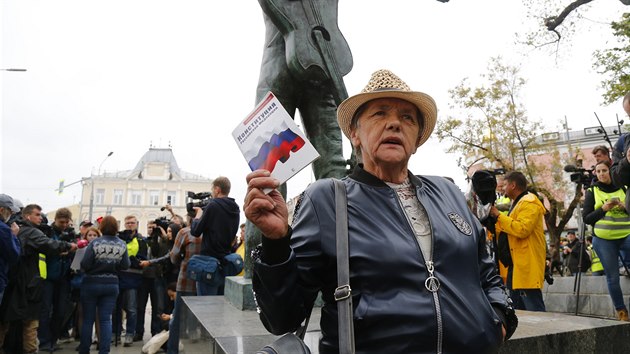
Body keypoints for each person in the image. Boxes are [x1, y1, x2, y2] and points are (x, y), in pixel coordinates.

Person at [246, 69, 517, 353]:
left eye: (407, 118)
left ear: (416, 139)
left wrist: (499, 320)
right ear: (355, 134)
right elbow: (282, 318)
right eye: (379, 114)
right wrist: (276, 243)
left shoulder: (447, 191)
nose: (394, 124)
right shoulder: (327, 198)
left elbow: (487, 274)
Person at [0, 204, 77, 354]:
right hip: (29, 284)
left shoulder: (15, 229)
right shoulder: (32, 232)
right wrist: (68, 245)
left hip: (13, 281)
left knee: (7, 320)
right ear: (28, 216)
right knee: (30, 322)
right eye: (37, 214)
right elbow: (48, 244)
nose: (40, 217)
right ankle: (30, 350)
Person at [490, 171, 547, 312]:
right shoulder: (517, 203)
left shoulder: (529, 202)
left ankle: (546, 333)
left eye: (504, 185)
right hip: (516, 264)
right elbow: (508, 229)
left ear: (513, 185)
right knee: (518, 310)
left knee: (534, 309)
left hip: (526, 263)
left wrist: (499, 216)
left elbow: (522, 229)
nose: (501, 188)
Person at [582, 160, 630, 321]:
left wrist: (626, 207)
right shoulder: (592, 191)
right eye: (598, 171)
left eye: (604, 170)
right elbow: (587, 219)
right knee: (612, 277)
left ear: (611, 171)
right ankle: (621, 311)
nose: (601, 174)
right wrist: (603, 209)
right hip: (604, 240)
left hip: (626, 235)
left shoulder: (624, 187)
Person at [78, 216, 130, 354]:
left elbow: (85, 264)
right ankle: (104, 351)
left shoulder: (95, 243)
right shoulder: (122, 244)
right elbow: (126, 265)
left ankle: (84, 350)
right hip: (112, 284)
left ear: (101, 228)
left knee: (88, 319)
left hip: (91, 284)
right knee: (106, 320)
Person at [190, 176, 240, 296]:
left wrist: (198, 216)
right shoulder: (235, 208)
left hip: (208, 264)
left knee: (206, 307)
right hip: (225, 263)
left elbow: (195, 231)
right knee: (219, 307)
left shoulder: (213, 205)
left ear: (217, 189)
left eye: (213, 190)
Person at [39, 207, 77, 352]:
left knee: (61, 311)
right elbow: (45, 248)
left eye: (67, 222)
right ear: (55, 220)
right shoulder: (47, 232)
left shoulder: (70, 233)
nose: (64, 225)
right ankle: (44, 342)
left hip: (64, 277)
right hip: (48, 276)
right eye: (62, 222)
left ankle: (53, 340)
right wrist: (59, 251)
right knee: (45, 310)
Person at [166, 215, 202, 354]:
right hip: (205, 281)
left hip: (186, 281)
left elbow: (174, 258)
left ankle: (172, 350)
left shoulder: (184, 232)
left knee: (177, 317)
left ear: (189, 218)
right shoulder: (212, 232)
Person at [115, 215, 147, 346]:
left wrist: (132, 261)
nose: (129, 225)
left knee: (131, 309)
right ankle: (115, 333)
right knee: (116, 308)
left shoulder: (141, 240)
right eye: (127, 223)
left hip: (133, 279)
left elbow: (142, 258)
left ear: (136, 224)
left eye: (132, 223)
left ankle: (130, 333)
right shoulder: (118, 238)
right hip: (118, 278)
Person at [0, 194, 21, 305]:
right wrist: (14, 236)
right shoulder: (4, 230)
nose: (12, 214)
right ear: (1, 210)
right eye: (10, 211)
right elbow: (13, 255)